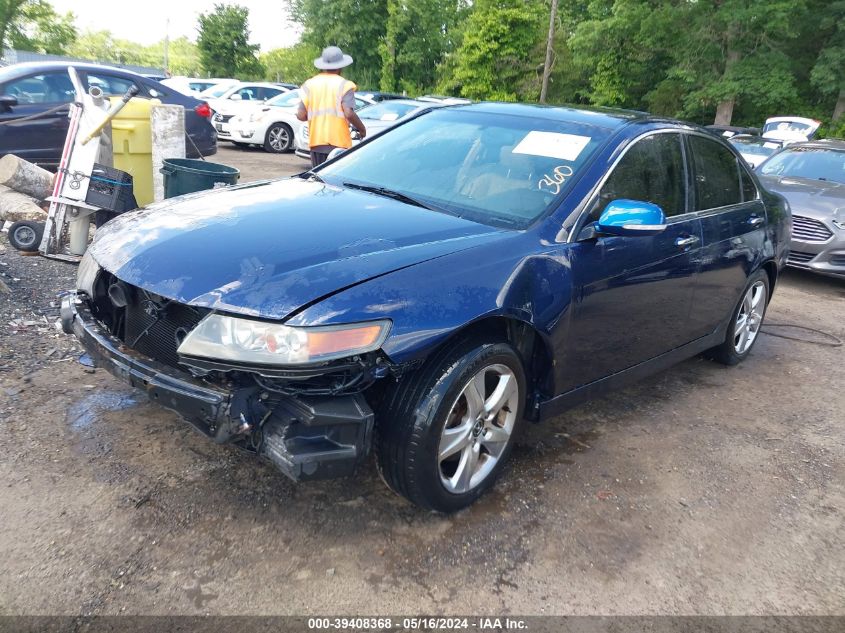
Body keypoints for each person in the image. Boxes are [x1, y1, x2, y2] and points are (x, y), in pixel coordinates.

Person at [297, 46, 367, 168]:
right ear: (341, 66)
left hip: (317, 143)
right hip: (339, 145)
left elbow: (301, 115)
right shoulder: (344, 85)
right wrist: (362, 129)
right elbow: (349, 113)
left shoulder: (310, 84)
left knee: (320, 180)